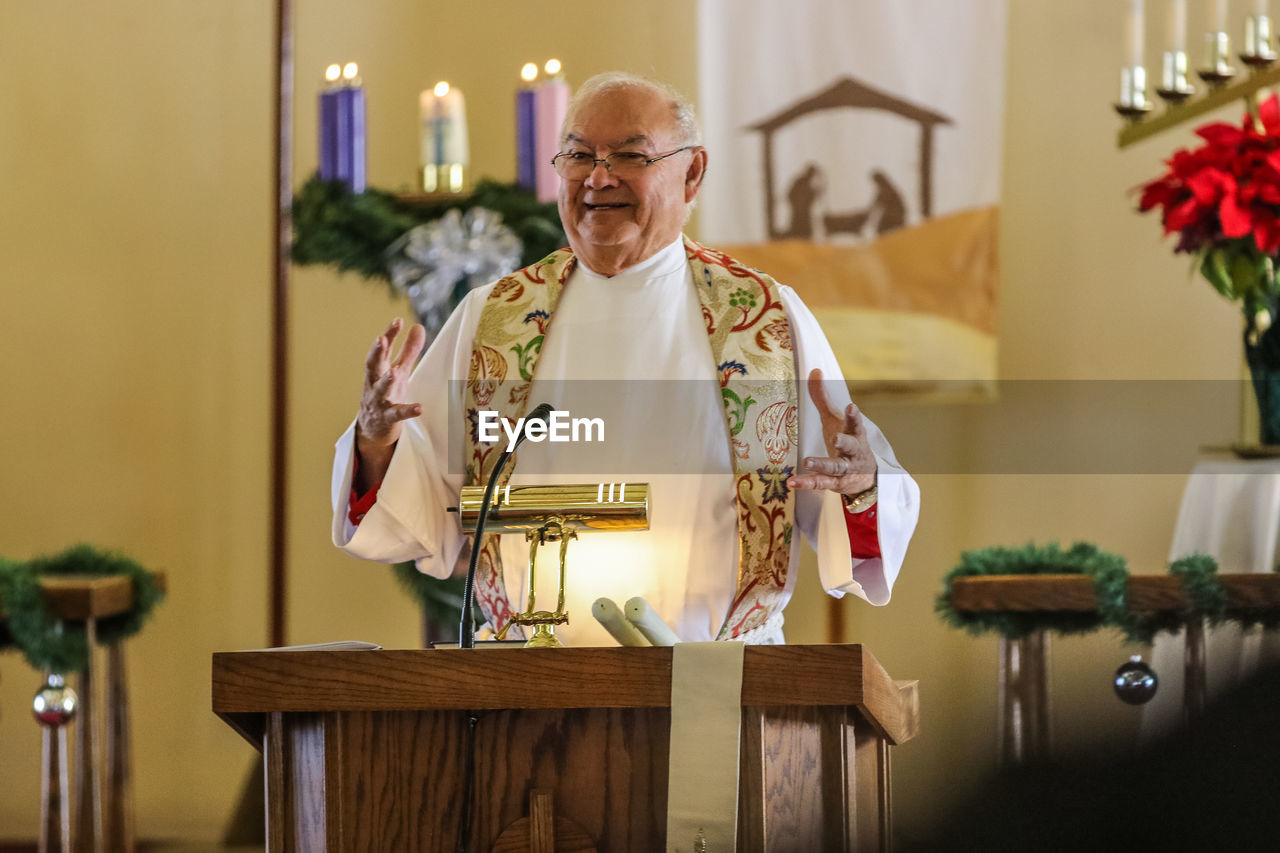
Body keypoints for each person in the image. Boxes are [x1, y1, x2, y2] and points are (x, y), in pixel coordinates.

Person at [330, 72, 919, 646]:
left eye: (631, 157)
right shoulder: (494, 320)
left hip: (719, 685)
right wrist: (377, 444)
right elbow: (412, 513)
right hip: (527, 692)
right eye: (579, 156)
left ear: (692, 174)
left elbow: (851, 501)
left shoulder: (764, 324)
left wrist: (862, 485)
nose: (598, 178)